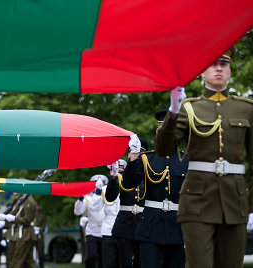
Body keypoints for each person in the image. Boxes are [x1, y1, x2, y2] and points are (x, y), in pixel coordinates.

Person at [156, 51, 253, 267]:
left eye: (223, 65)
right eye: (212, 64)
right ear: (201, 72)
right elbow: (164, 150)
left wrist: (252, 208)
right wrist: (173, 113)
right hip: (197, 200)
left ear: (229, 71)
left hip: (235, 201)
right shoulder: (188, 108)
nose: (218, 68)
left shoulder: (246, 109)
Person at [124, 117, 189, 268]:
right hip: (151, 228)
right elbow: (128, 184)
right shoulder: (147, 158)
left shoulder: (186, 160)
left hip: (177, 228)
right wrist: (133, 159)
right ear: (157, 133)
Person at [105, 155, 145, 268]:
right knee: (125, 263)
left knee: (141, 262)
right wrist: (113, 179)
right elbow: (110, 197)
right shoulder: (121, 177)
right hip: (125, 223)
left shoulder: (148, 177)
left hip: (142, 223)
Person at [0, 195, 38, 268]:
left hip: (24, 235)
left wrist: (14, 219)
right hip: (18, 234)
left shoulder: (28, 201)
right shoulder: (20, 200)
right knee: (25, 261)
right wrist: (5, 224)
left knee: (18, 260)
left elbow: (27, 220)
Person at [74, 176, 104, 268]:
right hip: (92, 231)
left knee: (103, 259)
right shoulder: (88, 198)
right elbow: (77, 211)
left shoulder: (108, 197)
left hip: (105, 231)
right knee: (92, 256)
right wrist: (80, 198)